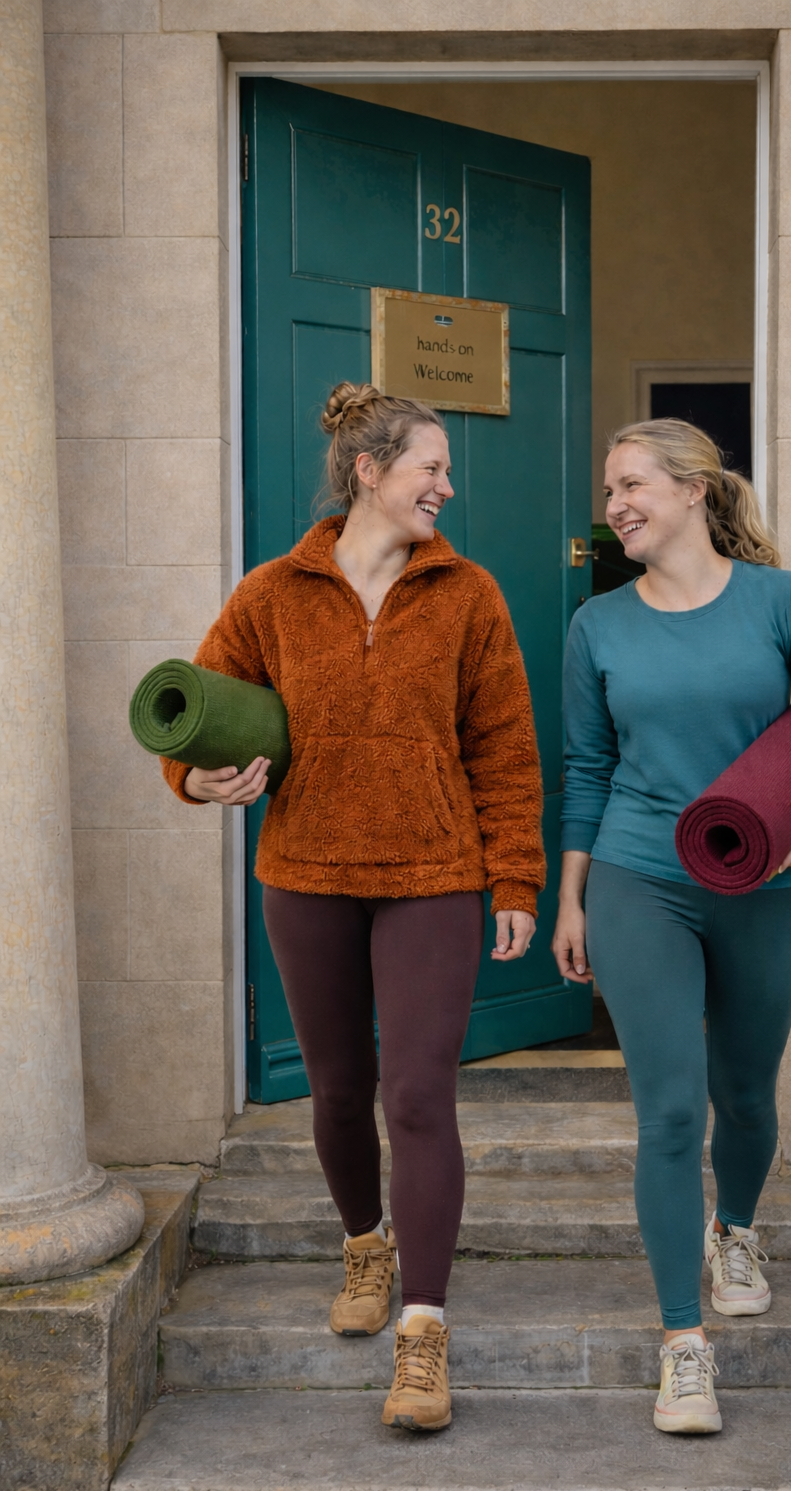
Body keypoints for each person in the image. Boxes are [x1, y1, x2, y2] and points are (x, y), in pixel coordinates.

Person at [163, 383, 544, 1432]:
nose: (446, 486)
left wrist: (514, 878)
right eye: (431, 466)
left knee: (418, 1095)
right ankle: (364, 1246)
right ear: (369, 471)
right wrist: (195, 782)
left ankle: (423, 1334)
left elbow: (505, 750)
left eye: (446, 470)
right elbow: (196, 711)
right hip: (307, 872)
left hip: (432, 875)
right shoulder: (271, 594)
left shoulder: (470, 595)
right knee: (338, 1090)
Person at [552, 418, 791, 1436]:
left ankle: (732, 1230)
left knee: (744, 1095)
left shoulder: (780, 602)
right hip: (637, 878)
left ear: (695, 489)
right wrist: (571, 896)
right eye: (608, 491)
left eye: (630, 485)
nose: (614, 506)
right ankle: (681, 1347)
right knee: (668, 1113)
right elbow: (585, 770)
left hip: (766, 888)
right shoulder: (596, 626)